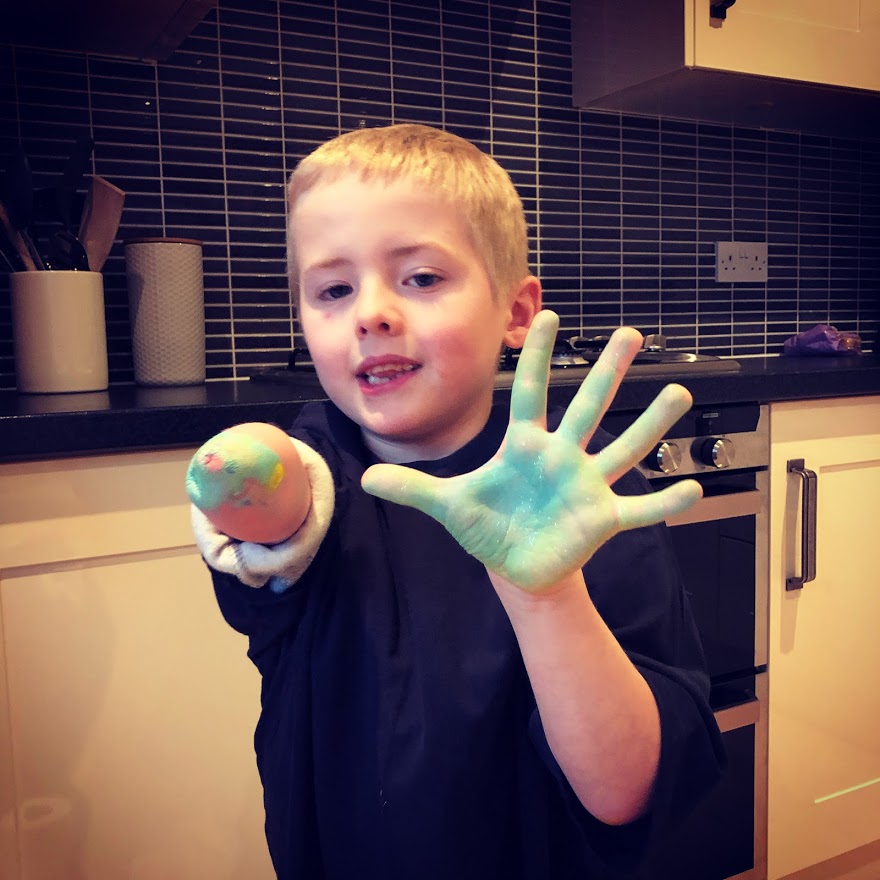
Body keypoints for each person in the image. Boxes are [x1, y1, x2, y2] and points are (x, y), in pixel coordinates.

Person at [187, 123, 724, 880]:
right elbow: (266, 499)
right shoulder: (311, 481)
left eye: (420, 278)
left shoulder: (580, 492)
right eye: (334, 290)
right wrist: (245, 466)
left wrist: (547, 598)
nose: (370, 313)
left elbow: (623, 792)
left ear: (515, 312)